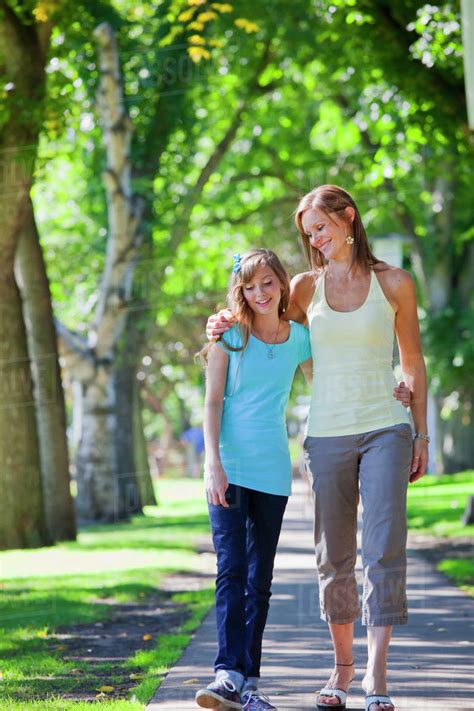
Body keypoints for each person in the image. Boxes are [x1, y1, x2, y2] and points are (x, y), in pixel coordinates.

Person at [206, 185, 428, 711]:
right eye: (309, 234)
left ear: (347, 217)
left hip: (386, 428)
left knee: (384, 550)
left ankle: (377, 679)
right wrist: (221, 322)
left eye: (321, 228)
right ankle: (340, 671)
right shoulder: (304, 288)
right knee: (334, 557)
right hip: (326, 432)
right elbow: (263, 322)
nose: (315, 240)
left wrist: (419, 430)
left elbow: (414, 361)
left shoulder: (395, 283)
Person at [195, 248, 313, 711]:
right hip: (229, 466)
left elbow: (324, 384)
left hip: (272, 471)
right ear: (239, 291)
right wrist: (212, 464)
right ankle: (226, 672)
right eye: (250, 286)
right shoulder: (230, 337)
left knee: (260, 579)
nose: (260, 292)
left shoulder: (301, 338)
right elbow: (212, 403)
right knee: (231, 569)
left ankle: (250, 683)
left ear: (282, 284)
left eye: (268, 283)